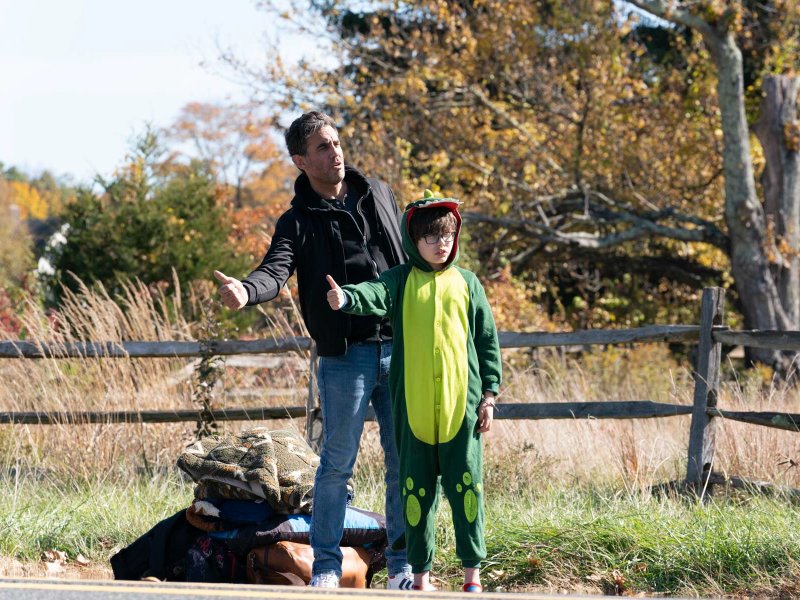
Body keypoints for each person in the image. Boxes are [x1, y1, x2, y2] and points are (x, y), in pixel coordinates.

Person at [213, 111, 413, 589]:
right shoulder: (297, 220)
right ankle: (325, 568)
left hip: (400, 346)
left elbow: (409, 257)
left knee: (403, 463)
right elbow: (274, 270)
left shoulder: (378, 193)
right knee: (337, 466)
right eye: (323, 147)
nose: (335, 152)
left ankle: (403, 567)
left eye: (337, 142)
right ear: (301, 160)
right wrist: (246, 290)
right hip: (346, 355)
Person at [326, 190, 502, 593]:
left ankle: (472, 577)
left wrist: (489, 396)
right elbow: (373, 293)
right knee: (415, 495)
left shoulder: (468, 283)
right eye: (431, 237)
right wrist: (347, 297)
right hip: (413, 411)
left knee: (467, 490)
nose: (441, 244)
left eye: (447, 236)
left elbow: (487, 341)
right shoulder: (401, 280)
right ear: (413, 240)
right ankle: (420, 579)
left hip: (462, 411)